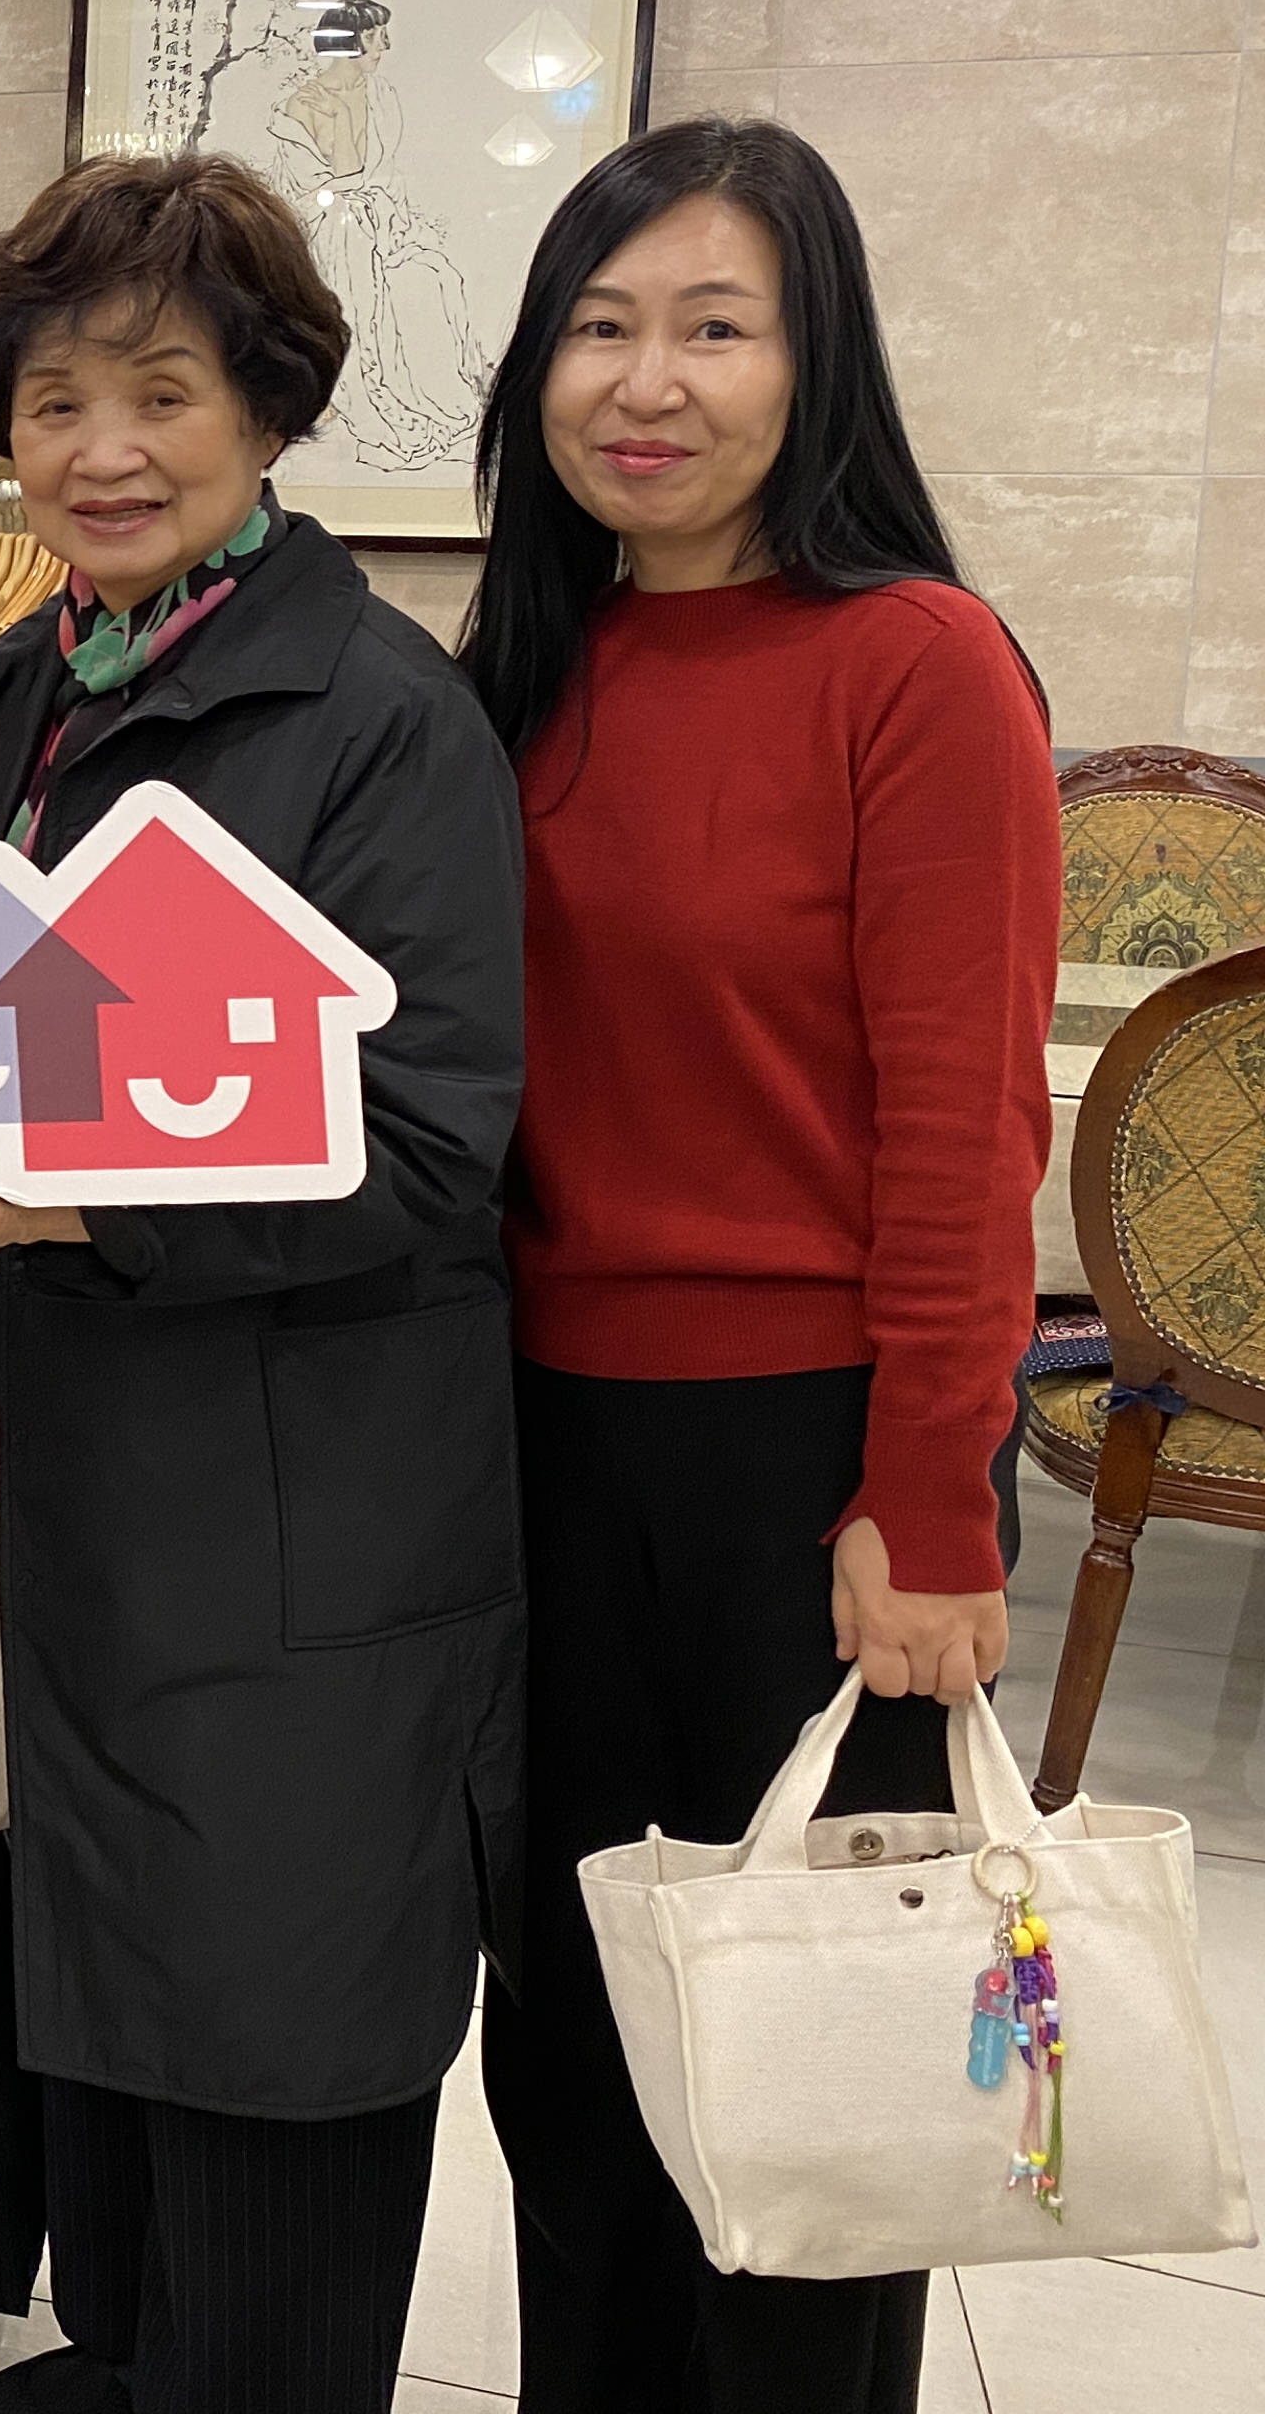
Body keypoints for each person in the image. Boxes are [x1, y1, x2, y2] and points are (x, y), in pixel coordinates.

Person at [0, 157, 526, 2414]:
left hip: (302, 1498)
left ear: (269, 411)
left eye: (162, 391)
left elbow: (429, 1142)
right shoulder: (14, 685)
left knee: (271, 2015)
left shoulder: (375, 715)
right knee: (109, 1989)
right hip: (80, 1475)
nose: (102, 448)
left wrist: (57, 1212)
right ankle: (126, 2365)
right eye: (53, 400)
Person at [459, 118, 1051, 2414]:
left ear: (818, 367)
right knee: (576, 2061)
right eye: (601, 328)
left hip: (804, 1477)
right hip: (538, 1447)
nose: (649, 384)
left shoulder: (918, 665)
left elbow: (964, 1128)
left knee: (805, 2084)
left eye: (717, 328)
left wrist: (933, 1495)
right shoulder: (526, 671)